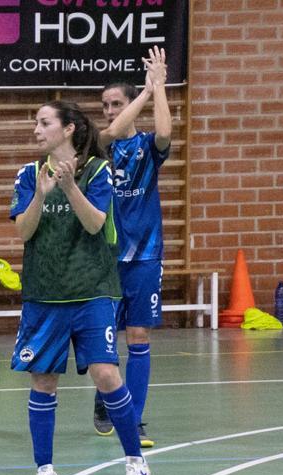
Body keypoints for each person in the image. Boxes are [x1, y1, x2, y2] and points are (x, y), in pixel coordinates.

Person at [8, 100, 150, 475]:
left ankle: (135, 462)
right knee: (44, 380)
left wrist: (70, 188)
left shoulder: (100, 172)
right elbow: (24, 232)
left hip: (92, 291)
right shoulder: (28, 174)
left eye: (44, 122)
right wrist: (41, 194)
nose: (36, 129)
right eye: (35, 122)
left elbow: (95, 224)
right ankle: (45, 470)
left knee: (106, 375)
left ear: (68, 128)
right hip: (44, 294)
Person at [92, 46, 171, 448]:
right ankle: (106, 395)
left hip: (142, 256)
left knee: (138, 335)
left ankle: (134, 419)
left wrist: (158, 90)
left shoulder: (144, 150)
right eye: (105, 104)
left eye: (115, 103)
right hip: (102, 259)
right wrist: (145, 92)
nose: (108, 110)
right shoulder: (99, 147)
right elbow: (107, 133)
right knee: (103, 338)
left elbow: (165, 133)